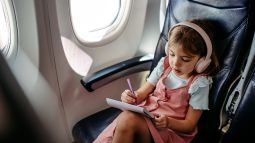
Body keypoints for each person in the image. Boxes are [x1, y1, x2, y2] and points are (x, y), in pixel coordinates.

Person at [93, 19, 219, 143]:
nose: (175, 63)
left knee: (127, 119)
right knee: (124, 121)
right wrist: (132, 97)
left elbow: (189, 125)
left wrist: (168, 122)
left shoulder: (199, 84)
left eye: (185, 59)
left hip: (168, 130)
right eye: (172, 54)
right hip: (145, 118)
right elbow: (143, 92)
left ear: (202, 61)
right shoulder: (163, 66)